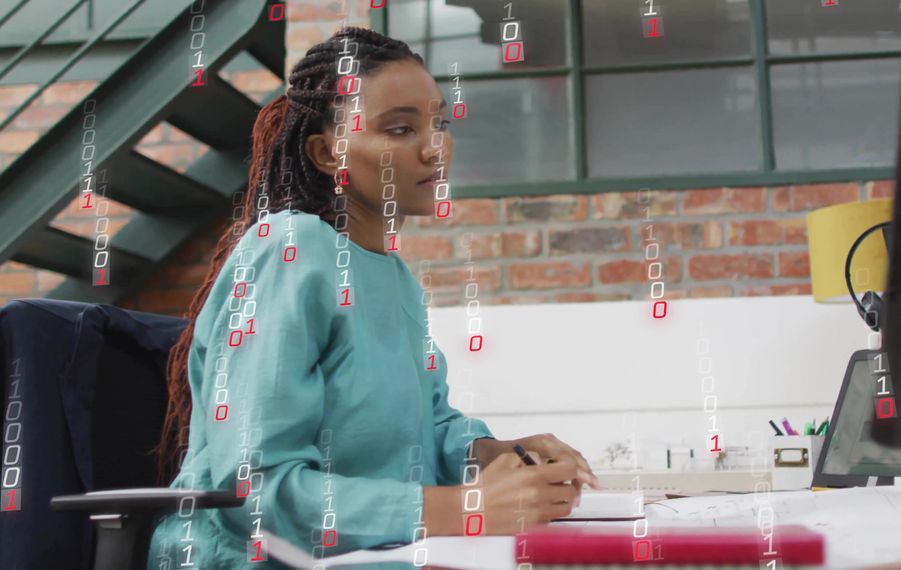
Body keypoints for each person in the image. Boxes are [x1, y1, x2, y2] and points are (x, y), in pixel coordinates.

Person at [146, 26, 599, 569]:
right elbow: (254, 491)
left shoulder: (393, 275)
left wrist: (493, 456)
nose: (436, 148)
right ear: (325, 152)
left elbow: (427, 429)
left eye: (440, 123)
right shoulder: (288, 253)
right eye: (401, 129)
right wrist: (467, 508)